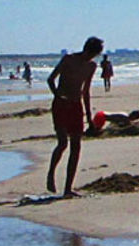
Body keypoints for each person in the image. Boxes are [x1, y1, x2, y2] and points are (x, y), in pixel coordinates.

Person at [46, 37, 103, 196]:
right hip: (61, 105)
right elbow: (51, 79)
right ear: (86, 49)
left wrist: (89, 116)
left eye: (94, 55)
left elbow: (86, 91)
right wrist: (57, 95)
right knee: (63, 143)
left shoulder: (91, 66)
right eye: (91, 54)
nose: (91, 58)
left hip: (76, 106)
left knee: (76, 146)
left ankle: (67, 189)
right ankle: (51, 173)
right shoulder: (68, 59)